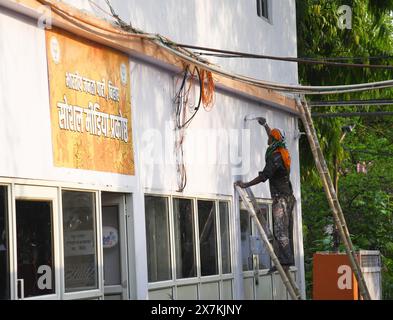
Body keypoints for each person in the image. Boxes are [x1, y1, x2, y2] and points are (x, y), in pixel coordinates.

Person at [235, 117, 295, 273]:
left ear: (273, 140)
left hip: (281, 198)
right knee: (286, 231)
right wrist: (266, 125)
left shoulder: (275, 158)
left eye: (269, 137)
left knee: (281, 231)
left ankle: (285, 263)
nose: (267, 139)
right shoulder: (282, 151)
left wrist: (245, 184)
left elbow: (264, 177)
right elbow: (273, 136)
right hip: (288, 197)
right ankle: (286, 261)